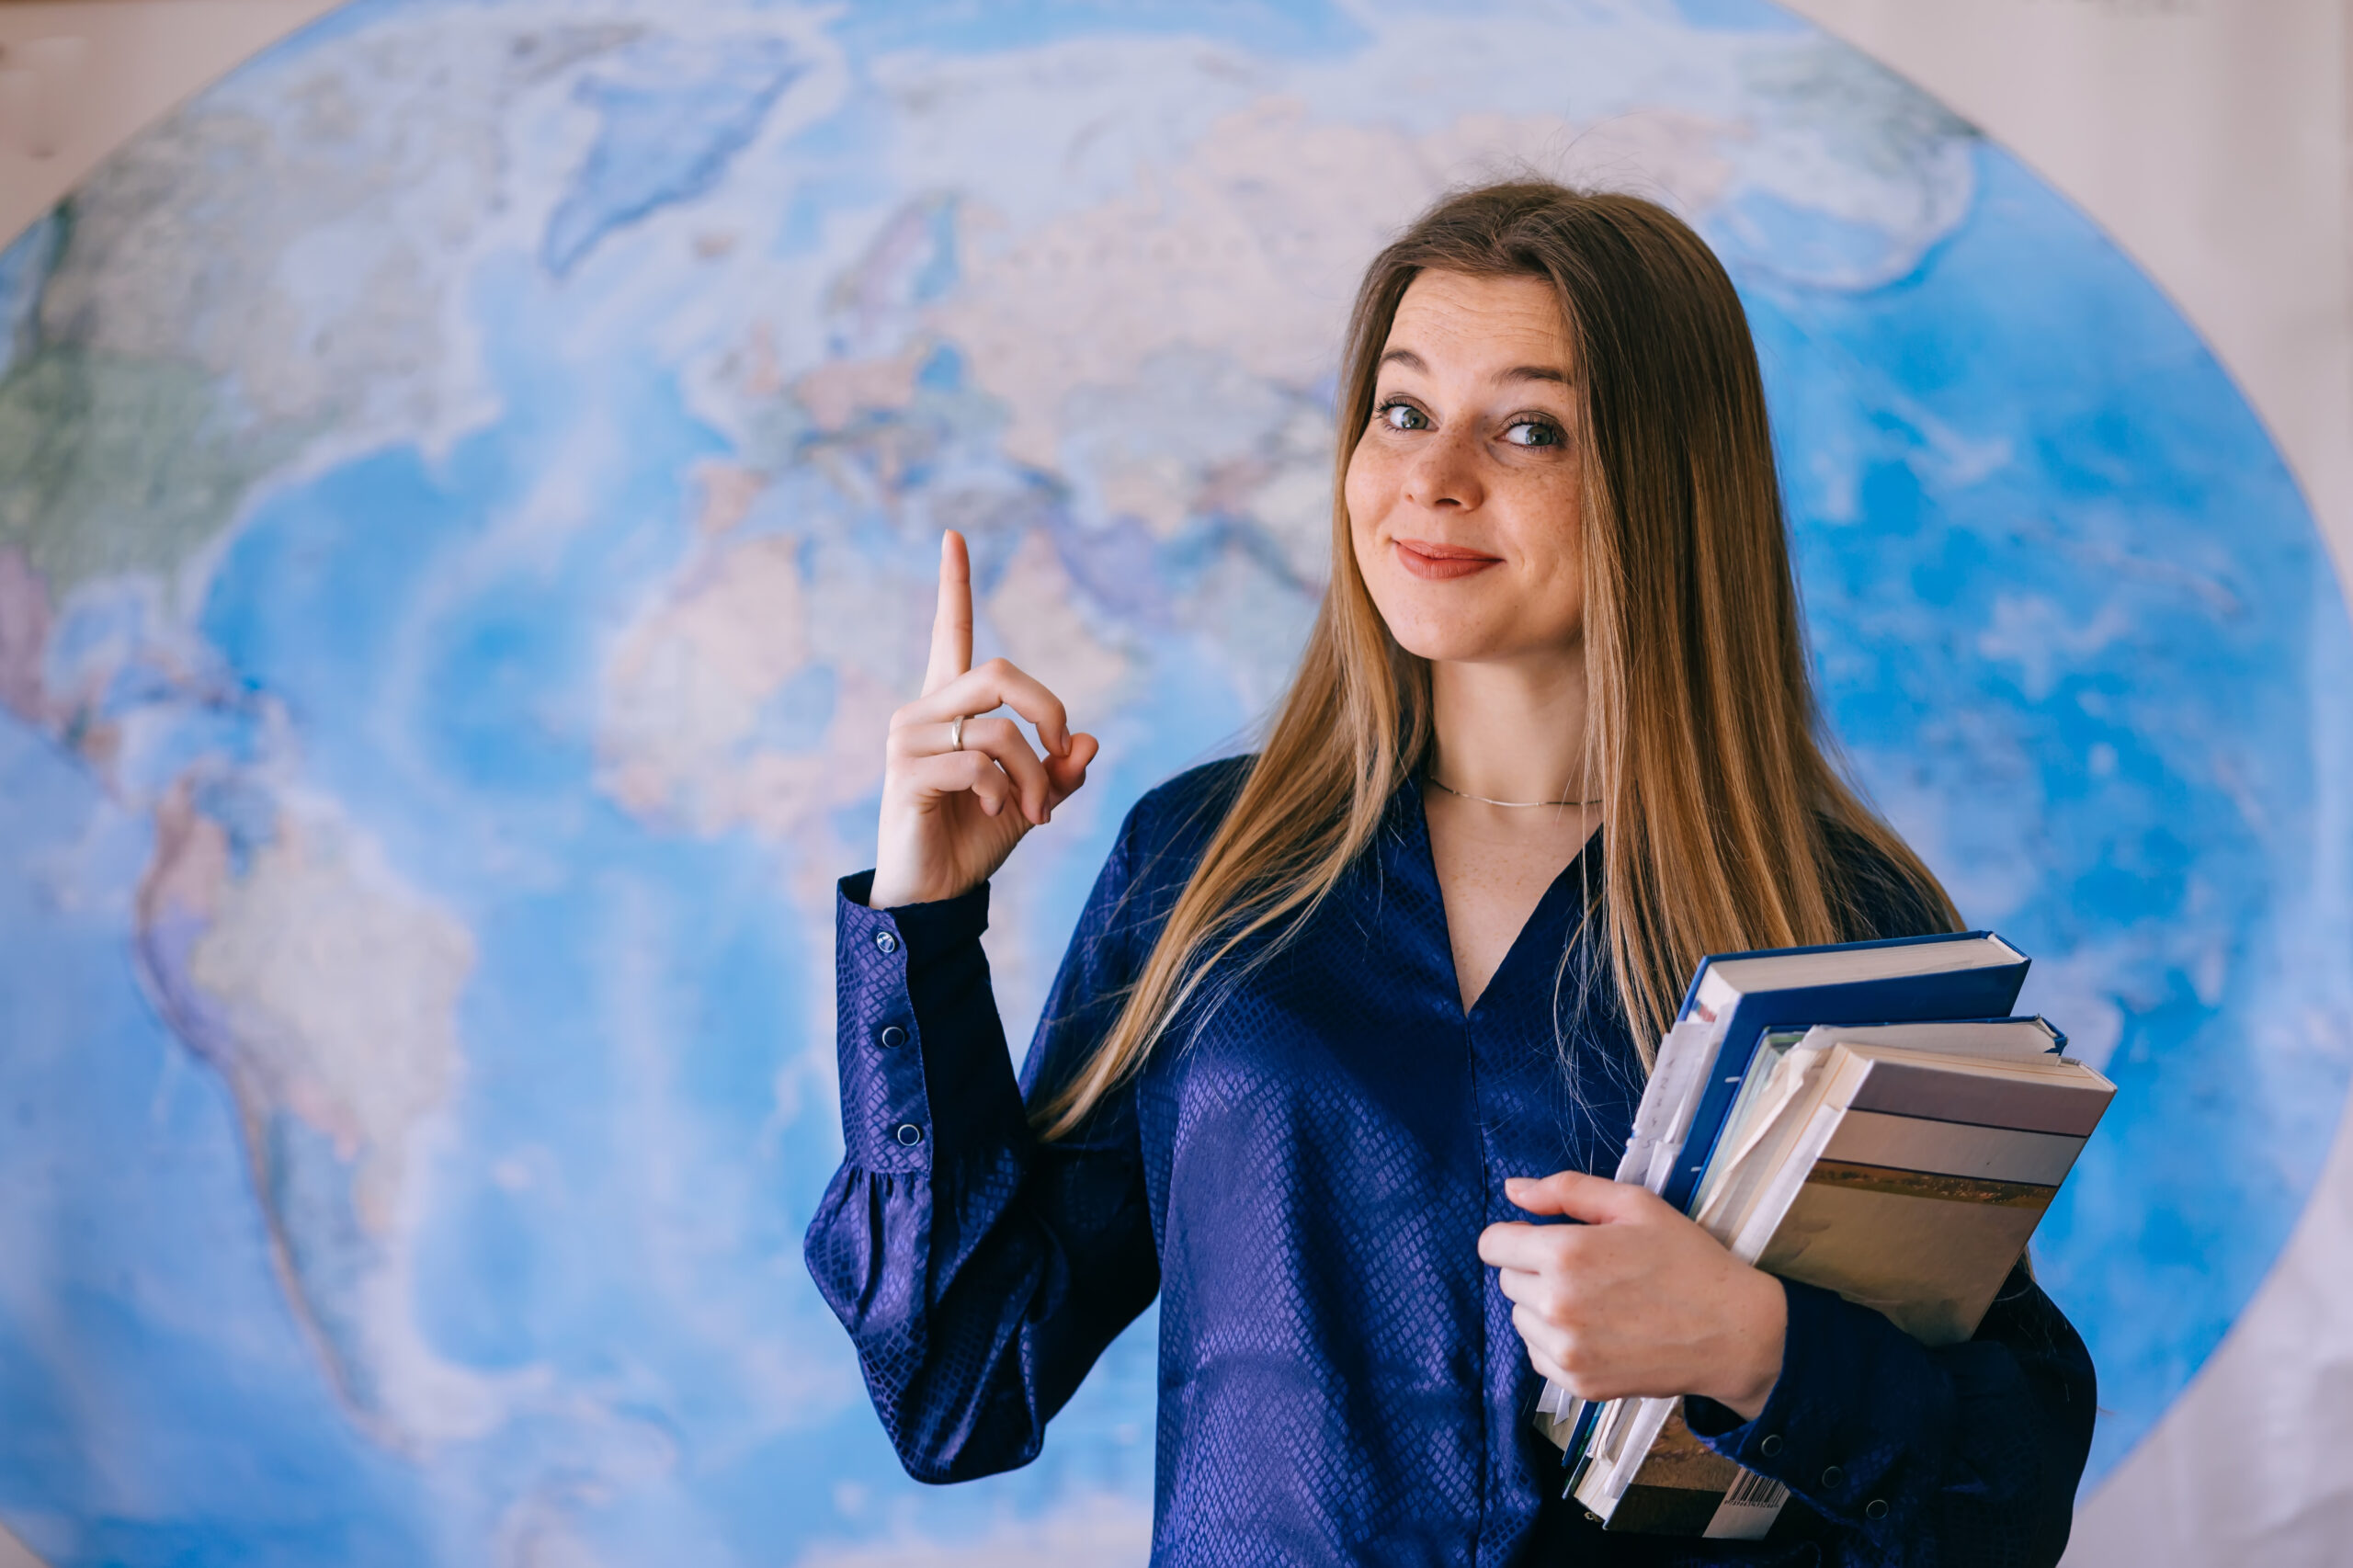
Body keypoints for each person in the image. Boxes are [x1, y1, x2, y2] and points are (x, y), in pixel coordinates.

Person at [804, 182, 2094, 1566]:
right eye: (1404, 409)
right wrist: (921, 926)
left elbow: (2002, 1500)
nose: (1431, 478)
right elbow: (957, 1387)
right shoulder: (1200, 869)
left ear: (1663, 484)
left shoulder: (1837, 924)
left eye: (1528, 428)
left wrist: (1758, 1345)